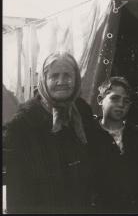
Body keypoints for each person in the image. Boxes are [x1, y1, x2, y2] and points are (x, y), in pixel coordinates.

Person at [4, 52, 98, 213]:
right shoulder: (23, 123)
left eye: (67, 75)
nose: (61, 82)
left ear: (76, 80)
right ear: (44, 81)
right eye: (54, 76)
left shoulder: (82, 112)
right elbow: (17, 192)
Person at [92, 76, 138, 213]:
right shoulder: (89, 134)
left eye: (126, 101)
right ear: (100, 100)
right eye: (115, 98)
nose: (121, 104)